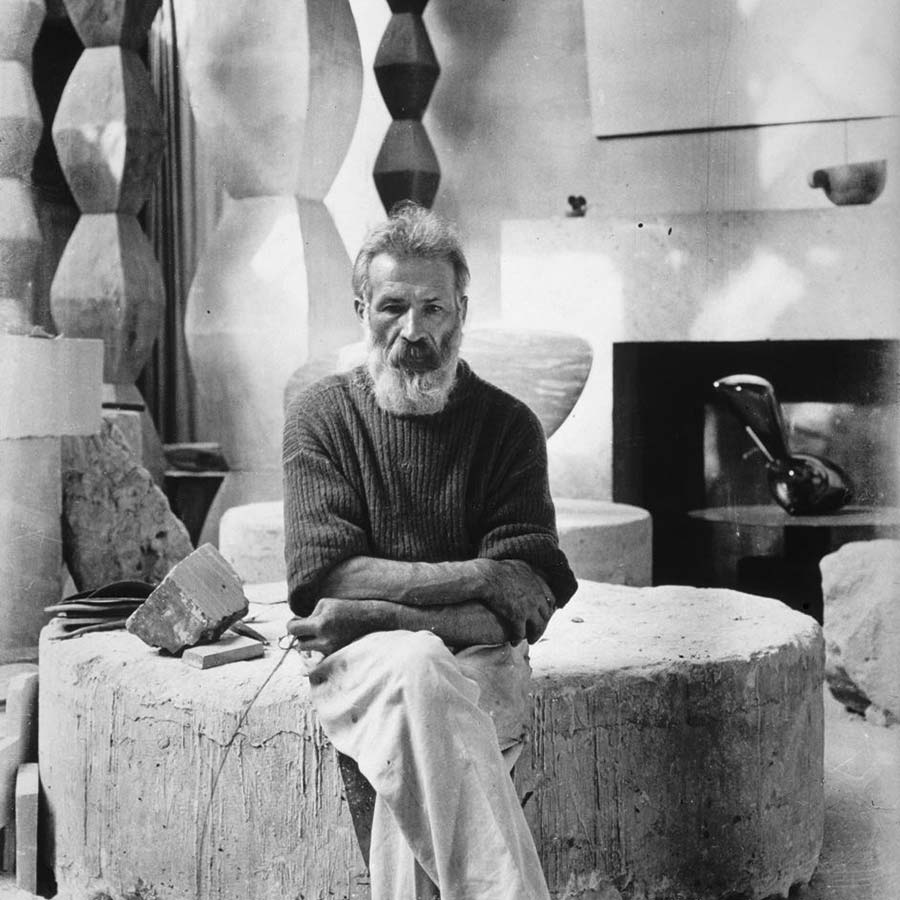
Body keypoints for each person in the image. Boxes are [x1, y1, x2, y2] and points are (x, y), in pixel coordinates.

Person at [282, 201, 577, 900]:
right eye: (393, 307)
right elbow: (328, 577)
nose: (413, 331)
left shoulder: (509, 426)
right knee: (417, 667)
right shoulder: (321, 417)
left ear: (461, 312)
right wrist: (482, 575)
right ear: (362, 310)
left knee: (418, 710)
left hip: (474, 657)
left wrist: (374, 613)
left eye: (434, 309)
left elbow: (518, 613)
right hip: (364, 662)